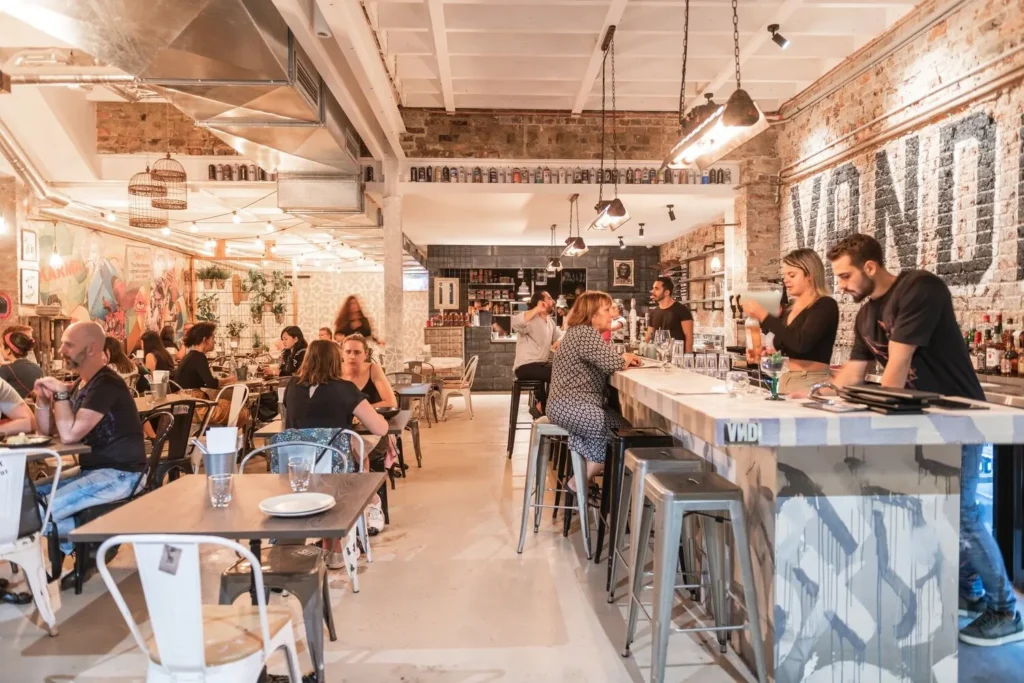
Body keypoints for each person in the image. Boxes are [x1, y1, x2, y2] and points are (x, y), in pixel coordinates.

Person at [827, 233, 1022, 647]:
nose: (841, 286)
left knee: (962, 512)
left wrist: (876, 425)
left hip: (958, 418)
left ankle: (1006, 611)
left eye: (844, 276)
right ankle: (970, 592)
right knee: (941, 510)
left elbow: (897, 366)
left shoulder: (919, 289)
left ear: (870, 267)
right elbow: (853, 375)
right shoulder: (866, 315)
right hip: (920, 422)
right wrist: (815, 395)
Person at [33, 321, 146, 556]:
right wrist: (42, 401)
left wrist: (61, 393)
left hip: (122, 474)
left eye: (69, 345)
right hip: (93, 470)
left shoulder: (105, 383)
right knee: (28, 496)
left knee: (36, 513)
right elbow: (48, 432)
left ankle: (88, 539)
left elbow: (69, 435)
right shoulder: (81, 384)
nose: (61, 350)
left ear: (91, 348)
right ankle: (82, 540)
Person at [283, 339, 389, 565]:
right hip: (334, 472)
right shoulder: (344, 389)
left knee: (340, 463)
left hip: (295, 472)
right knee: (360, 459)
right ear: (335, 361)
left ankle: (324, 544)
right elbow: (380, 428)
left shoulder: (292, 386)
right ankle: (339, 547)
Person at [547, 291, 640, 489]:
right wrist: (627, 357)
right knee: (602, 427)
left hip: (574, 404)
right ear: (592, 314)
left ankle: (591, 480)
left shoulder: (582, 333)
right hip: (569, 405)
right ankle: (578, 482)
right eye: (607, 310)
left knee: (624, 429)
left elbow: (607, 360)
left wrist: (622, 359)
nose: (612, 314)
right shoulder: (585, 333)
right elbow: (613, 363)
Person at [741, 248, 838, 395]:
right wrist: (765, 356)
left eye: (792, 275)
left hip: (810, 381)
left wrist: (764, 316)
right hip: (784, 380)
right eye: (785, 275)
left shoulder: (825, 305)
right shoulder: (789, 310)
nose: (785, 280)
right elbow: (787, 348)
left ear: (810, 275)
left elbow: (801, 344)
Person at [340, 334, 396, 534]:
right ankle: (359, 504)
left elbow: (390, 402)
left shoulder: (373, 369)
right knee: (346, 449)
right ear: (341, 353)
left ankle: (370, 504)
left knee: (356, 450)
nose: (352, 356)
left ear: (366, 354)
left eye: (357, 352)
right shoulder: (336, 372)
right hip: (346, 430)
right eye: (348, 351)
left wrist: (362, 412)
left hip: (372, 430)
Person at [511, 291, 561, 418]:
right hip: (525, 367)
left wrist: (559, 341)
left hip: (540, 365)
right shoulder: (531, 319)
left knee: (561, 369)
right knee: (559, 373)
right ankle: (543, 408)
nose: (553, 301)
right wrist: (537, 309)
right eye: (549, 298)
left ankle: (544, 408)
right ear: (541, 302)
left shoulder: (550, 322)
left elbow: (558, 337)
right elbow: (515, 323)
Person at [646, 276, 694, 351]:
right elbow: (648, 337)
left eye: (656, 289)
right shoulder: (653, 313)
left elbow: (689, 338)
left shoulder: (682, 310)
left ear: (667, 292)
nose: (652, 291)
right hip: (658, 355)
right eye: (653, 288)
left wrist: (687, 357)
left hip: (677, 356)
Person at [0, 330, 42, 398]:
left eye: (1, 346)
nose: (0, 349)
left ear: (8, 350)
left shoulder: (6, 369)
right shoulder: (38, 369)